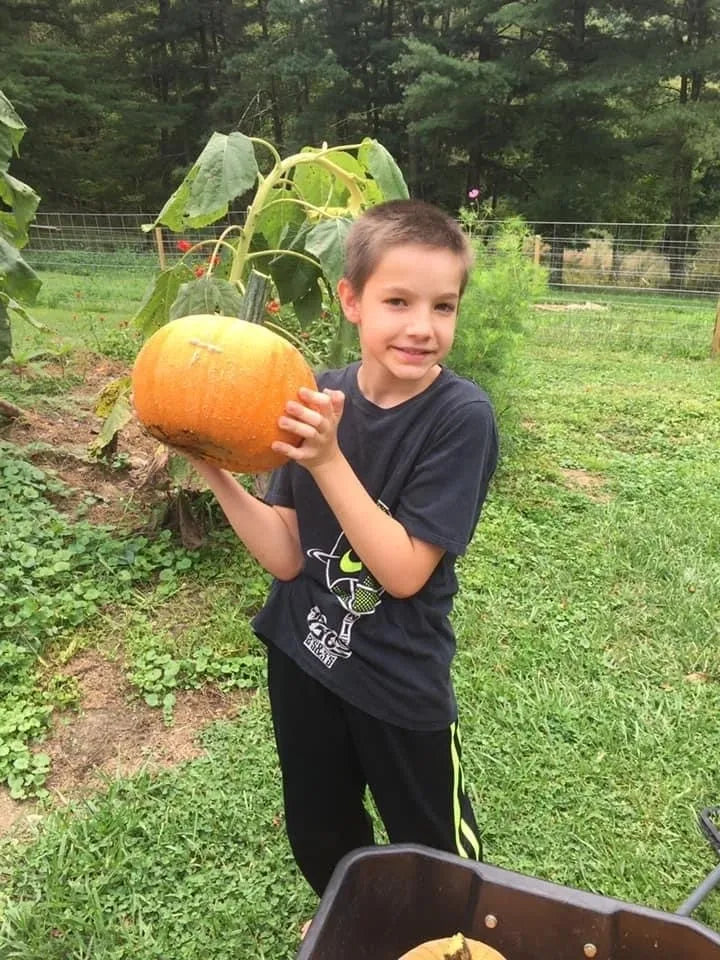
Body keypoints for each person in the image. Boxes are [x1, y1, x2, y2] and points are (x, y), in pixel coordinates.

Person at [187, 199, 499, 899]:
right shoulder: (312, 393)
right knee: (320, 827)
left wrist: (329, 459)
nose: (423, 327)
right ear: (352, 301)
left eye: (442, 306)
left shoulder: (460, 419)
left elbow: (404, 572)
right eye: (398, 301)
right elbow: (287, 554)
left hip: (398, 679)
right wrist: (209, 465)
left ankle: (451, 933)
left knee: (434, 844)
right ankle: (351, 916)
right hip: (305, 658)